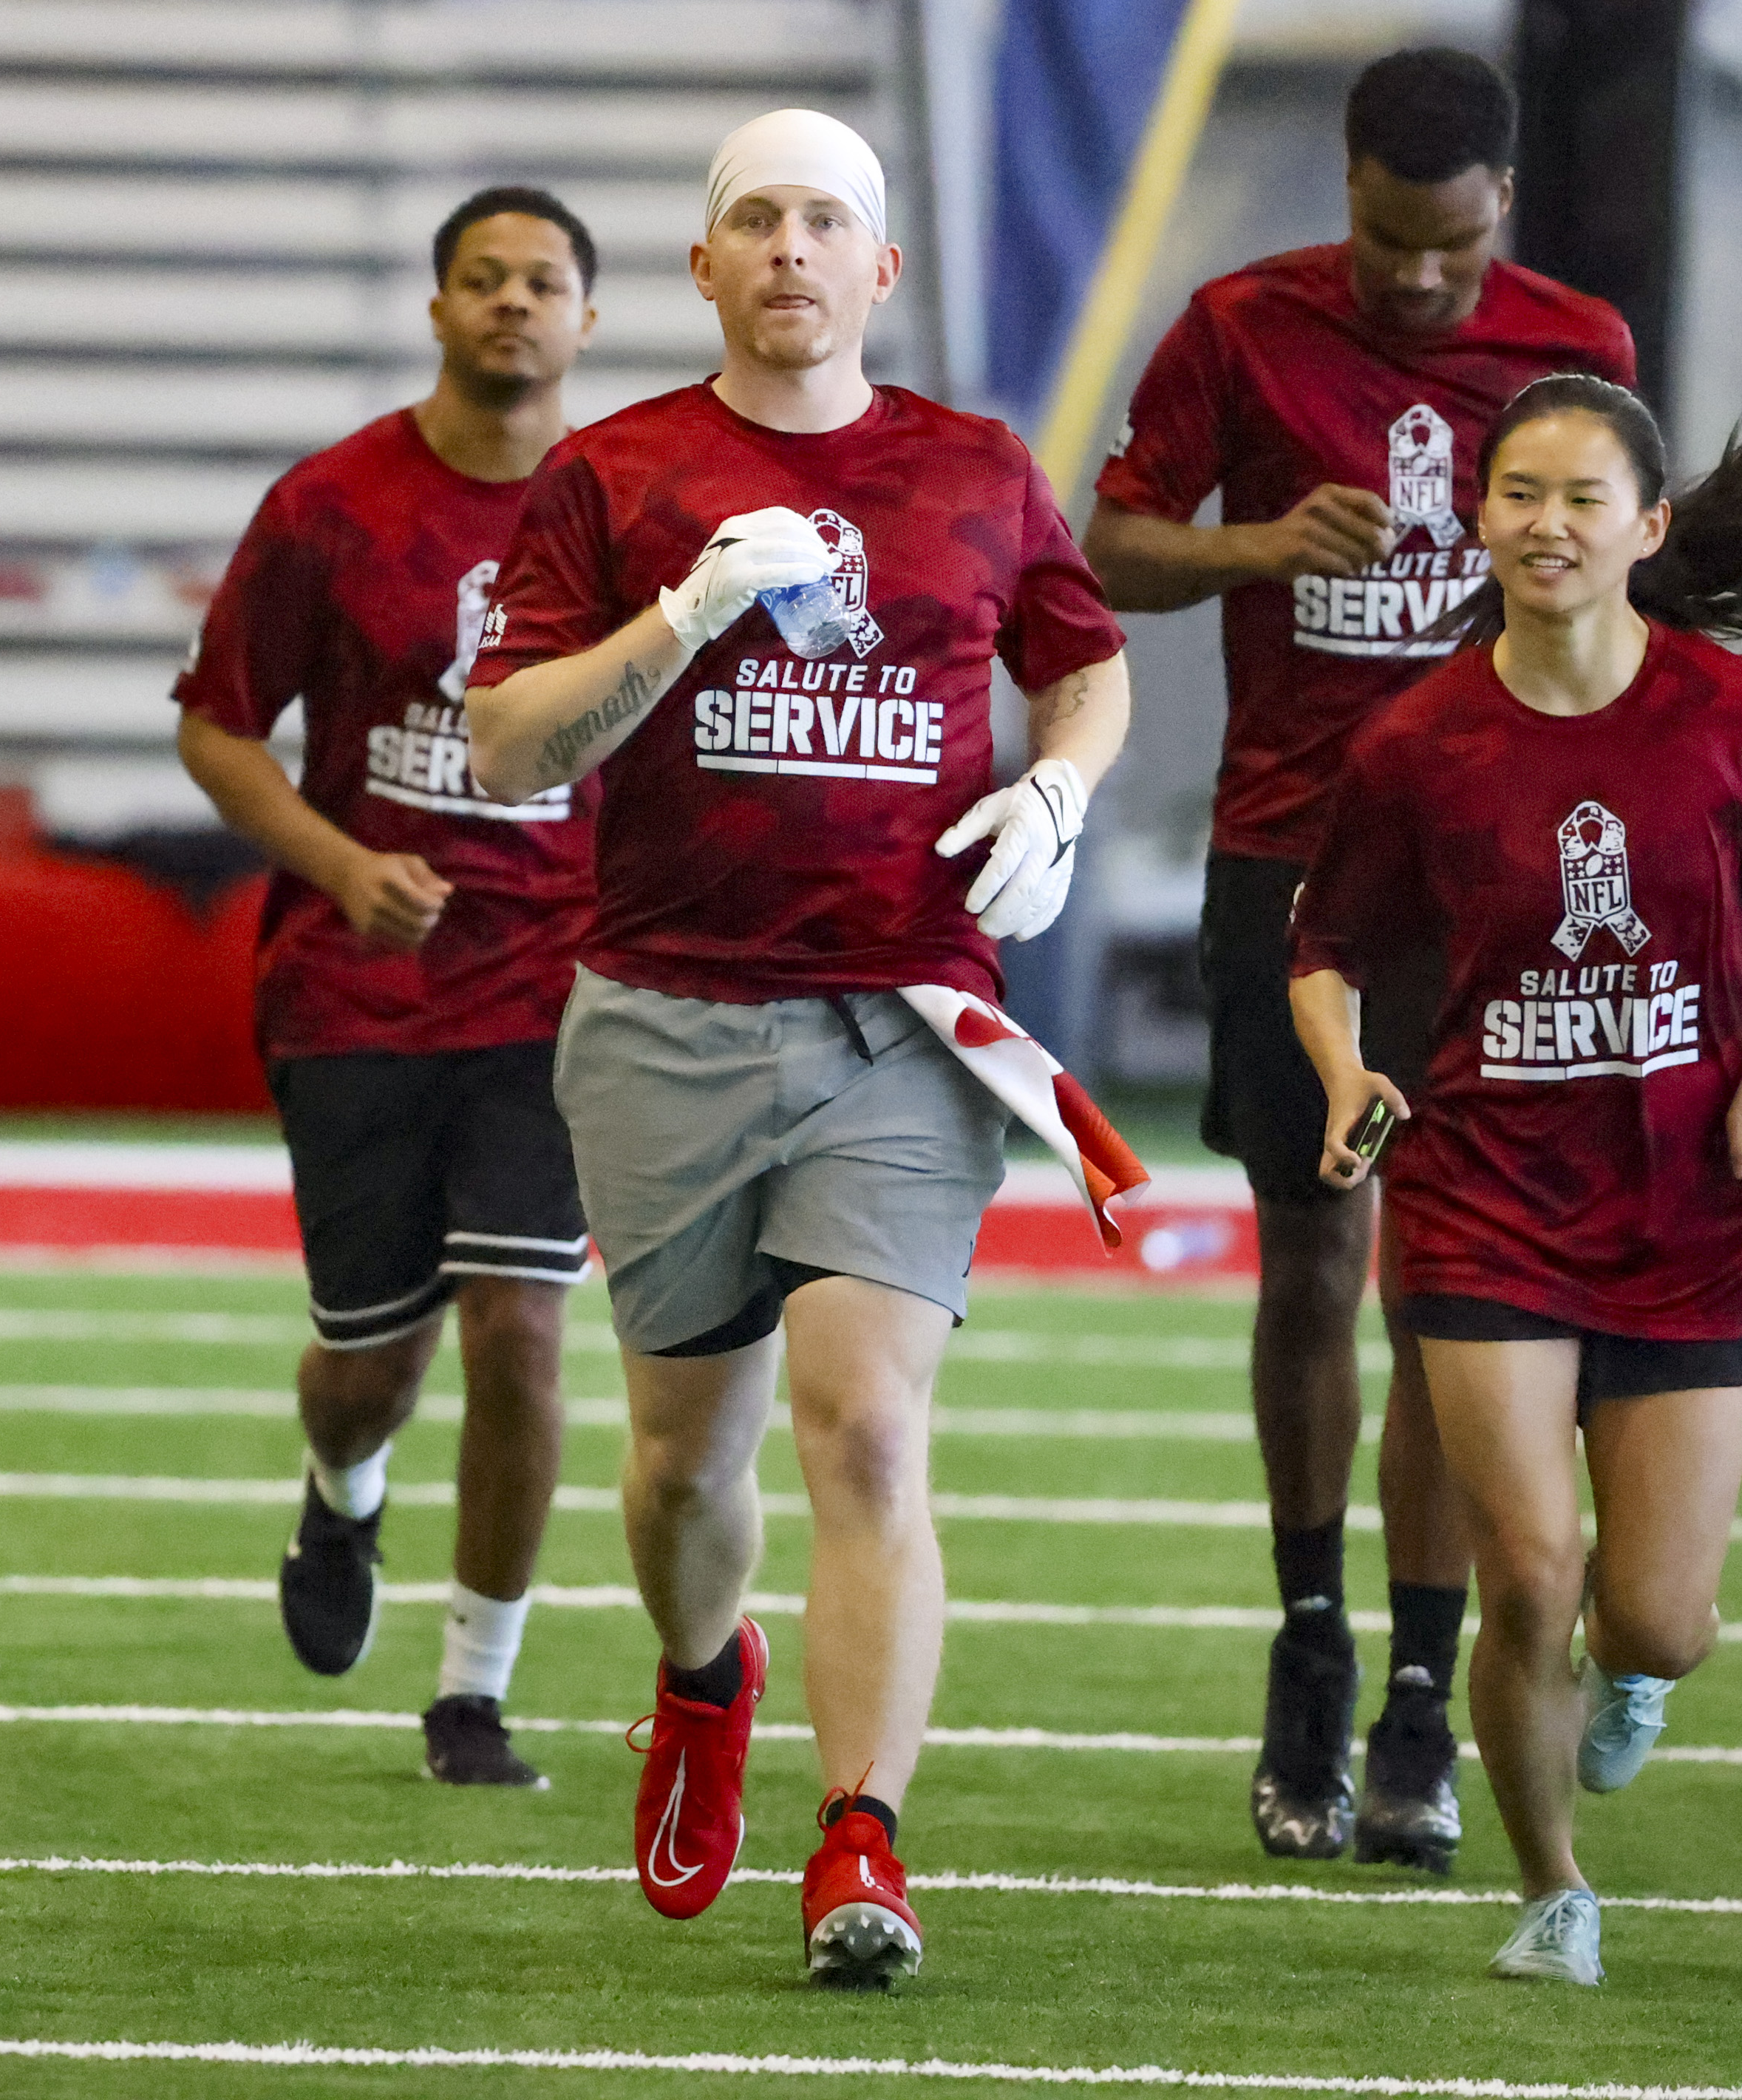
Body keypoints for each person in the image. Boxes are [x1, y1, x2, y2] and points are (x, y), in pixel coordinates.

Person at [463, 109, 1132, 1986]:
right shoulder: (617, 473)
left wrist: (1064, 789)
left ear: (881, 270)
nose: (787, 248)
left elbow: (1085, 655)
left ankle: (862, 1840)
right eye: (752, 219)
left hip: (902, 1020)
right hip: (667, 1009)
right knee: (687, 1470)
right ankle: (702, 1675)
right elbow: (509, 752)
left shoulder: (977, 468)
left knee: (869, 1425)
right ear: (701, 267)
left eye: (824, 220)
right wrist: (680, 617)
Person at [1081, 46, 1635, 1872]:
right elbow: (1107, 550)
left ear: (1507, 211)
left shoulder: (1581, 350)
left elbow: (1632, 584)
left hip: (1495, 885)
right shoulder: (1241, 327)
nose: (1417, 285)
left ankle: (1420, 1692)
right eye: (1390, 243)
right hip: (1293, 863)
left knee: (1452, 1294)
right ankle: (1309, 1645)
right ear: (1346, 188)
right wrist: (1255, 542)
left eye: (1454, 251)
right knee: (1315, 1265)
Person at [1287, 373, 1742, 1984]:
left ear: (1648, 526)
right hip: (1482, 1196)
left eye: (1583, 497)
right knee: (1527, 1567)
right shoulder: (1415, 738)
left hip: (1689, 1207)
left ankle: (1642, 1667)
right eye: (1519, 492)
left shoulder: (1735, 715)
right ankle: (1552, 1885)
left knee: (1652, 1614)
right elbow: (1323, 947)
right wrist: (1348, 1072)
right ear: (1479, 515)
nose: (1547, 522)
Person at [174, 187, 605, 1787]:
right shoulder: (334, 503)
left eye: (542, 281)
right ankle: (340, 1489)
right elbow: (216, 725)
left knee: (522, 1328)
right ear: (437, 308)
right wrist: (343, 865)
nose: (511, 303)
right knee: (372, 1362)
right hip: (353, 992)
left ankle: (473, 1690)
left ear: (586, 318)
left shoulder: (632, 508)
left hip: (555, 988)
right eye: (481, 279)